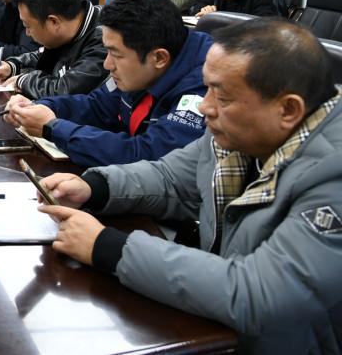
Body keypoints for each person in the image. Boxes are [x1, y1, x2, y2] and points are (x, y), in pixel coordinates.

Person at [37, 20, 342, 354]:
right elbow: (171, 178)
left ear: (288, 109)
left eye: (222, 96)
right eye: (206, 88)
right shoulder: (237, 131)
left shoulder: (333, 175)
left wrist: (109, 248)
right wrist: (94, 188)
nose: (204, 107)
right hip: (224, 329)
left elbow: (260, 293)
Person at [6, 0, 210, 167]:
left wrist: (54, 129)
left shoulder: (206, 85)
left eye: (116, 54)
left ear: (159, 58)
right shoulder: (141, 67)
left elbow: (150, 156)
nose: (107, 64)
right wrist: (42, 106)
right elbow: (97, 105)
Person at [0, 0, 107, 98]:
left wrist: (23, 81)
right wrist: (12, 65)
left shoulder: (105, 39)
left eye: (27, 26)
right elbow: (44, 54)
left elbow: (65, 90)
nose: (27, 33)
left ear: (54, 22)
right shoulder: (68, 30)